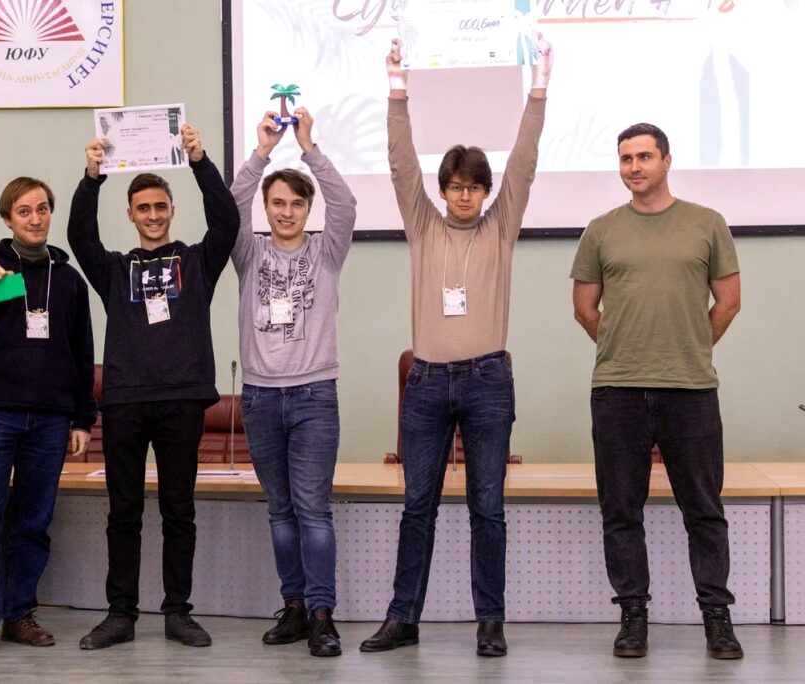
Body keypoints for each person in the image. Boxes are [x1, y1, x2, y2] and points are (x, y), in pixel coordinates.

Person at [359, 36, 552, 657]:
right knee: (417, 506)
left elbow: (523, 162)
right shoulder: (422, 224)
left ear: (486, 192)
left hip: (488, 380)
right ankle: (402, 618)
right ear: (442, 190)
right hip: (426, 383)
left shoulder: (501, 227)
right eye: (455, 186)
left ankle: (490, 622)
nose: (464, 195)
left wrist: (539, 88)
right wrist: (397, 87)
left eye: (474, 187)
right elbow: (400, 164)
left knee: (487, 508)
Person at [570, 123, 744, 660]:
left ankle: (717, 619)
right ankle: (632, 618)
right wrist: (626, 349)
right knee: (621, 511)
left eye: (644, 157)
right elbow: (584, 308)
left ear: (666, 161)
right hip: (617, 391)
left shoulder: (707, 223)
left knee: (704, 510)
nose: (634, 167)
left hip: (690, 390)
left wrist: (687, 348)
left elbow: (729, 302)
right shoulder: (601, 230)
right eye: (626, 158)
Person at [68, 124, 240, 649]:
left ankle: (177, 613)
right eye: (143, 207)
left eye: (160, 206)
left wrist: (200, 162)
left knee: (178, 511)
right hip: (124, 403)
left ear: (172, 210)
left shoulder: (197, 262)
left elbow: (228, 221)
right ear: (130, 214)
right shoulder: (114, 270)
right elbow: (80, 237)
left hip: (182, 401)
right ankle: (120, 615)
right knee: (123, 513)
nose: (153, 214)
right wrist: (91, 178)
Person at [0, 177, 97, 656]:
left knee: (33, 523)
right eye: (24, 211)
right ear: (7, 218)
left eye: (42, 209)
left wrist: (82, 418)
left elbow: (82, 352)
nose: (35, 218)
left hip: (50, 420)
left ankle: (18, 614)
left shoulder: (68, 281)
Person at [229, 108, 356, 657]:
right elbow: (229, 204)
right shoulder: (248, 252)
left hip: (313, 397)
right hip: (259, 397)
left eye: (296, 204)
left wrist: (308, 148)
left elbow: (346, 203)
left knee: (313, 510)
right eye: (277, 203)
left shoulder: (326, 251)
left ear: (308, 208)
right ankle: (295, 607)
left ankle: (323, 615)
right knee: (280, 511)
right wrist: (261, 152)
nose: (286, 212)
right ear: (266, 207)